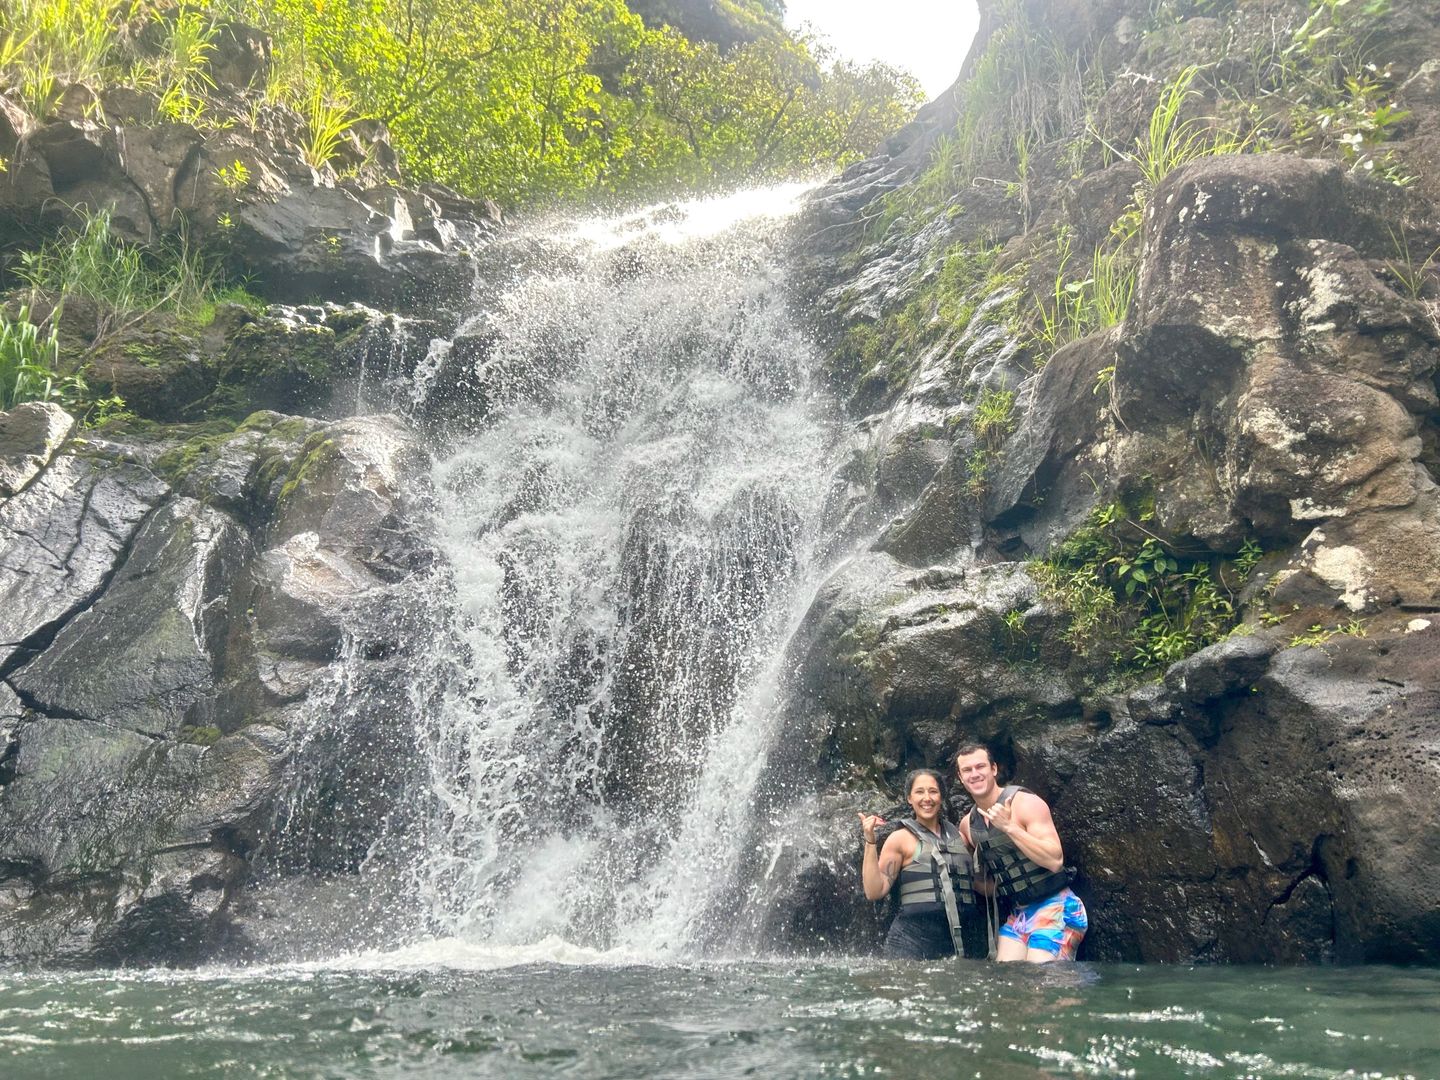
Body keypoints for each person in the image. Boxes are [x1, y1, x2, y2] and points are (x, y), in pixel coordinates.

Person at [954, 744, 1087, 963]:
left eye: (980, 767)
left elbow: (1055, 861)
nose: (975, 774)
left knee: (1041, 978)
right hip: (1020, 914)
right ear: (960, 777)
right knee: (1010, 984)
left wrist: (1010, 827)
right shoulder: (969, 825)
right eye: (967, 770)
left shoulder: (1025, 803)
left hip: (1057, 905)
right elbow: (989, 887)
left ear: (994, 769)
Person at [858, 768, 975, 959]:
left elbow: (977, 885)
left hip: (956, 942)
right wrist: (870, 841)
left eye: (933, 791)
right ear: (909, 798)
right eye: (919, 792)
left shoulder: (960, 839)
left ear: (942, 797)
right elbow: (874, 891)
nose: (926, 798)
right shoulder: (900, 839)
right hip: (910, 942)